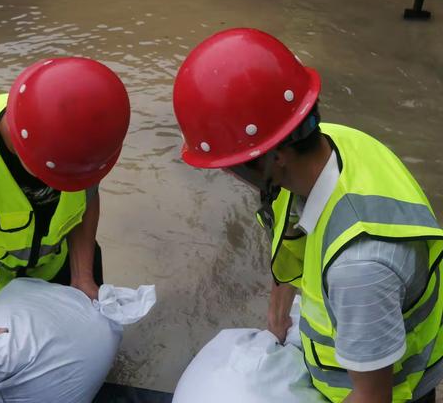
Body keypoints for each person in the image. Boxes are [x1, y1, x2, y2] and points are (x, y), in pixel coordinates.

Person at [172, 28, 443, 403]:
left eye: (230, 164)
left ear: (275, 157)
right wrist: (279, 307)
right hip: (356, 348)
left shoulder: (360, 267)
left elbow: (373, 397)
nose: (225, 172)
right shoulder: (330, 144)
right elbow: (293, 239)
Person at [0, 57, 130, 390]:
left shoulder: (85, 134)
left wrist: (82, 275)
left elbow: (86, 199)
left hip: (64, 263)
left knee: (84, 349)